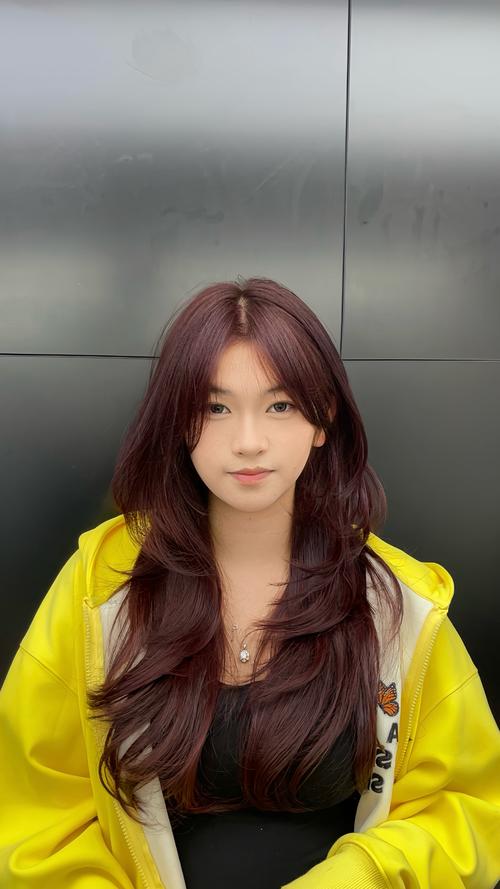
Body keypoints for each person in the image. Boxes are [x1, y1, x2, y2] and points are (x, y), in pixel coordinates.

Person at [1, 276, 499, 889]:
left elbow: (464, 809)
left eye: (280, 405)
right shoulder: (101, 588)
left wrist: (358, 878)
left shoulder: (396, 604)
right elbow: (36, 813)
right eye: (216, 407)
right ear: (178, 422)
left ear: (323, 419)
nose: (248, 442)